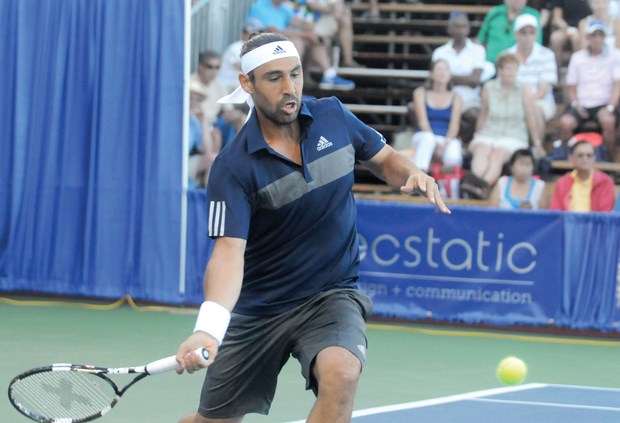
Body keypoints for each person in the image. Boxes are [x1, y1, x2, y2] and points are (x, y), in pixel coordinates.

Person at [175, 32, 451, 423]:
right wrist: (208, 329)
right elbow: (228, 253)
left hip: (330, 294)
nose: (290, 89)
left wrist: (413, 173)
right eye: (274, 78)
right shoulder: (232, 167)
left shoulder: (333, 116)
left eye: (295, 74)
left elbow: (384, 158)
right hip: (261, 308)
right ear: (246, 84)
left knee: (342, 373)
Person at [463, 53, 542, 199]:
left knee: (497, 154)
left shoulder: (524, 89)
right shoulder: (489, 87)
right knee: (481, 150)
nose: (511, 73)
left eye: (514, 69)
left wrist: (537, 142)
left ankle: (481, 186)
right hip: (489, 131)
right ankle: (474, 183)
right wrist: (477, 135)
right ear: (500, 70)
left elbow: (531, 116)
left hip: (514, 134)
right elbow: (484, 114)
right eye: (508, 69)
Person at [247, 0, 355, 90]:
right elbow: (272, 32)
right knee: (299, 40)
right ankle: (293, 81)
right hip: (264, 47)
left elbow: (298, 21)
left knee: (313, 38)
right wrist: (305, 34)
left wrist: (310, 30)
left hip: (280, 45)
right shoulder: (260, 6)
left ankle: (329, 75)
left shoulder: (282, 8)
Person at [558, 20, 620, 161]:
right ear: (587, 37)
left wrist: (610, 107)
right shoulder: (577, 58)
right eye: (594, 35)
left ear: (605, 37)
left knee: (608, 121)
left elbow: (618, 85)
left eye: (601, 35)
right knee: (565, 123)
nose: (597, 39)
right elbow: (572, 86)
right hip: (581, 103)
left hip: (605, 103)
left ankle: (609, 160)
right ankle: (568, 158)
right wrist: (576, 104)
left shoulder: (615, 56)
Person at [431, 12, 489, 145]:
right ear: (449, 29)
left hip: (469, 100)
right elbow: (437, 79)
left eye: (463, 26)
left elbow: (475, 81)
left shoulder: (478, 50)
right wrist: (466, 78)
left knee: (475, 115)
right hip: (444, 98)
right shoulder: (440, 52)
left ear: (468, 29)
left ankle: (464, 145)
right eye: (456, 26)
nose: (460, 30)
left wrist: (447, 76)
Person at [504, 13, 558, 152]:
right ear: (516, 34)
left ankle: (535, 150)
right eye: (524, 32)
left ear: (536, 34)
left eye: (531, 32)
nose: (527, 36)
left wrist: (526, 103)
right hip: (512, 100)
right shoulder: (507, 55)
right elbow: (505, 85)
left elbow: (543, 91)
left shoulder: (547, 55)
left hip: (541, 101)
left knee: (535, 110)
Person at [411, 59, 463, 173]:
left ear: (450, 74)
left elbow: (454, 125)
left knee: (453, 155)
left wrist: (445, 144)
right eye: (439, 69)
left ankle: (447, 185)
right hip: (424, 135)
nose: (442, 72)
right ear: (431, 74)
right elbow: (423, 122)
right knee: (428, 139)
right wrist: (436, 142)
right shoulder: (420, 92)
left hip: (446, 138)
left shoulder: (456, 97)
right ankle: (420, 173)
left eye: (445, 69)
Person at [549, 140, 615, 211]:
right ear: (571, 158)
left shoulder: (605, 182)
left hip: (594, 222)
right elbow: (556, 212)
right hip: (568, 221)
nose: (585, 159)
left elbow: (605, 214)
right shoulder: (562, 183)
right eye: (580, 155)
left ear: (594, 158)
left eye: (589, 155)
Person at [293, 0, 362, 68]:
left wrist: (335, 11)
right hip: (305, 21)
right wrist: (331, 10)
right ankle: (328, 72)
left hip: (323, 19)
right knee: (315, 39)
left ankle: (346, 61)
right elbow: (311, 5)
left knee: (345, 16)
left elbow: (337, 6)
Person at [477, 0, 542, 64]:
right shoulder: (494, 13)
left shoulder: (533, 15)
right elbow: (480, 40)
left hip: (519, 66)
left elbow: (537, 43)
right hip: (491, 64)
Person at [219, 18, 266, 93]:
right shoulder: (236, 47)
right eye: (256, 32)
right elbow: (243, 67)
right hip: (227, 86)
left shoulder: (255, 49)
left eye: (260, 32)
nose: (258, 35)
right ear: (245, 33)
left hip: (240, 86)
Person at [549, 0, 592, 69]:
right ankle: (557, 70)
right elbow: (557, 18)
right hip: (565, 28)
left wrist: (581, 30)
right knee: (555, 38)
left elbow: (591, 15)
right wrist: (567, 28)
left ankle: (579, 69)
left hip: (584, 28)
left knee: (577, 39)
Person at [191, 51, 228, 125]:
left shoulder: (218, 84)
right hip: (198, 122)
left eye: (217, 67)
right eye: (209, 67)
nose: (214, 71)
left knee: (240, 119)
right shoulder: (191, 83)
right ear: (200, 66)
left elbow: (228, 109)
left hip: (215, 124)